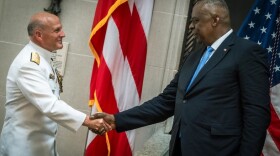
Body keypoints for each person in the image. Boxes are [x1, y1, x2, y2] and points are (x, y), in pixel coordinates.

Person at [91, 0, 271, 155]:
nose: (191, 26)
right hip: (180, 149)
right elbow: (166, 102)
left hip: (219, 151)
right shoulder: (194, 57)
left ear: (215, 20)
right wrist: (118, 119)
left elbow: (256, 114)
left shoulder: (247, 53)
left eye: (196, 20)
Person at [0, 12, 109, 156]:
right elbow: (49, 105)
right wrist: (88, 121)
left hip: (44, 145)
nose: (63, 34)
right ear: (39, 35)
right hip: (24, 147)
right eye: (57, 30)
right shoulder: (28, 64)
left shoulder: (43, 58)